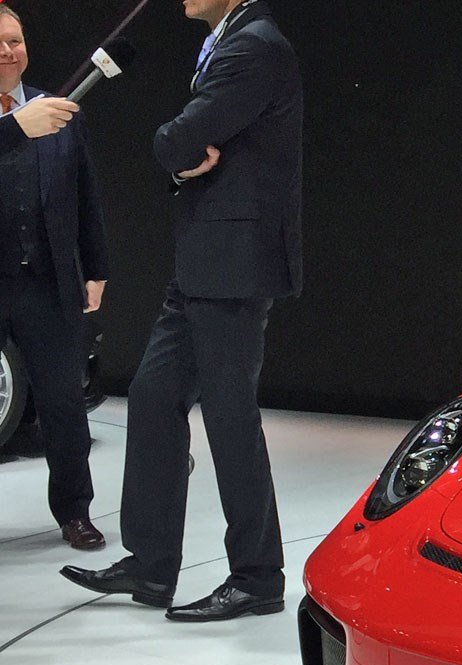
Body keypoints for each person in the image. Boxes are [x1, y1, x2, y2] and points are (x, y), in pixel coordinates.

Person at [63, 0, 302, 621]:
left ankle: (257, 576)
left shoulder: (253, 44)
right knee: (151, 397)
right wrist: (182, 161)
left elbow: (176, 138)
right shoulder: (234, 38)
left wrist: (173, 150)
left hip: (234, 263)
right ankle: (150, 565)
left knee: (229, 418)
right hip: (204, 260)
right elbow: (192, 151)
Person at [0, 4, 109, 550]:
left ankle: (75, 512)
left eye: (15, 40)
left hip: (47, 284)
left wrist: (97, 267)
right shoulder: (26, 118)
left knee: (64, 405)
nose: (8, 52)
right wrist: (13, 129)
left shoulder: (58, 111)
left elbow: (86, 194)